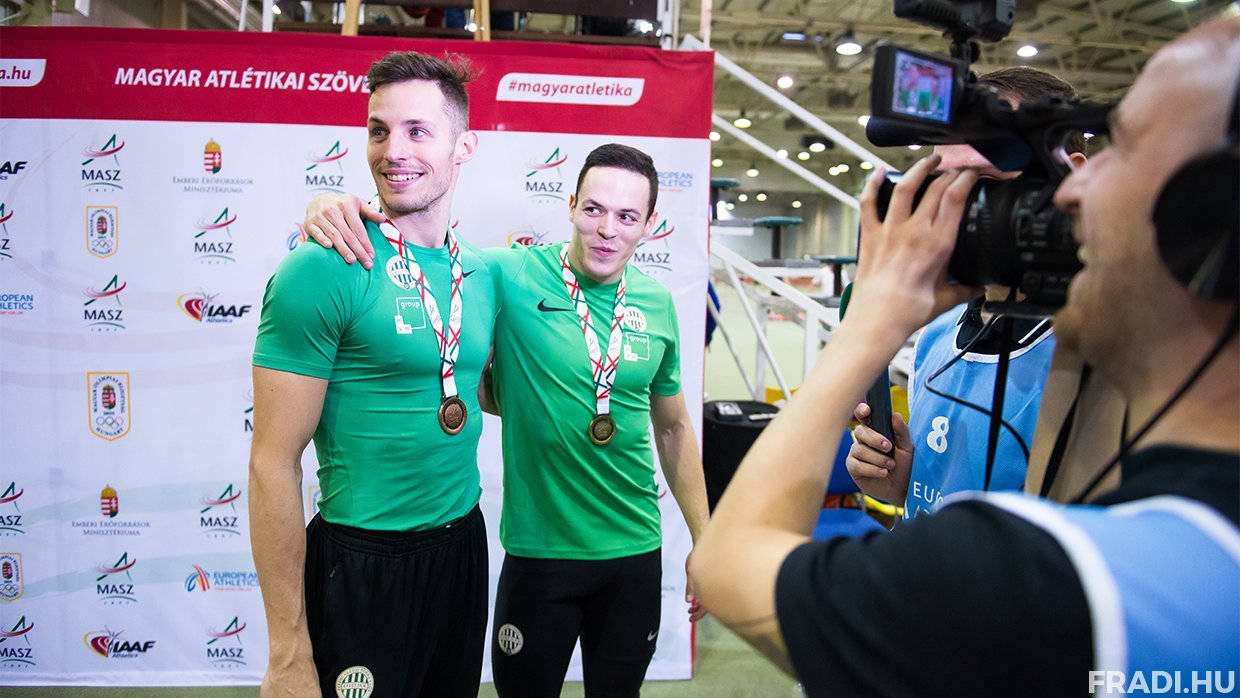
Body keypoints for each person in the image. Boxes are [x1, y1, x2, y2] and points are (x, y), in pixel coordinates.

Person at [691, 16, 1239, 696]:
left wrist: (867, 324)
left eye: (1122, 151)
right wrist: (905, 483)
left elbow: (728, 564)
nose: (947, 215)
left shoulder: (1050, 577)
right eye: (938, 186)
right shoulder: (947, 333)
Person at [303, 144, 711, 696]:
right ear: (571, 204)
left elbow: (674, 427)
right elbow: (423, 249)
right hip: (538, 554)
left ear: (649, 224)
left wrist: (704, 540)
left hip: (634, 551)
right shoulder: (505, 273)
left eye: (627, 216)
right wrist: (332, 205)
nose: (607, 230)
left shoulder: (657, 302)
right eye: (594, 209)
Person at [249, 51, 494, 697]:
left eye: (418, 131)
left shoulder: (484, 271)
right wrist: (286, 652)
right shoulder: (325, 265)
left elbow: (490, 385)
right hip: (363, 561)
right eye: (379, 131)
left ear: (464, 146)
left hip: (462, 551)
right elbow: (272, 463)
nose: (393, 151)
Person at [847, 67, 1087, 519]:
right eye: (944, 187)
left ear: (1071, 178)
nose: (957, 212)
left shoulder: (1104, 357)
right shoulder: (938, 331)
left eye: (987, 184)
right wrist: (903, 484)